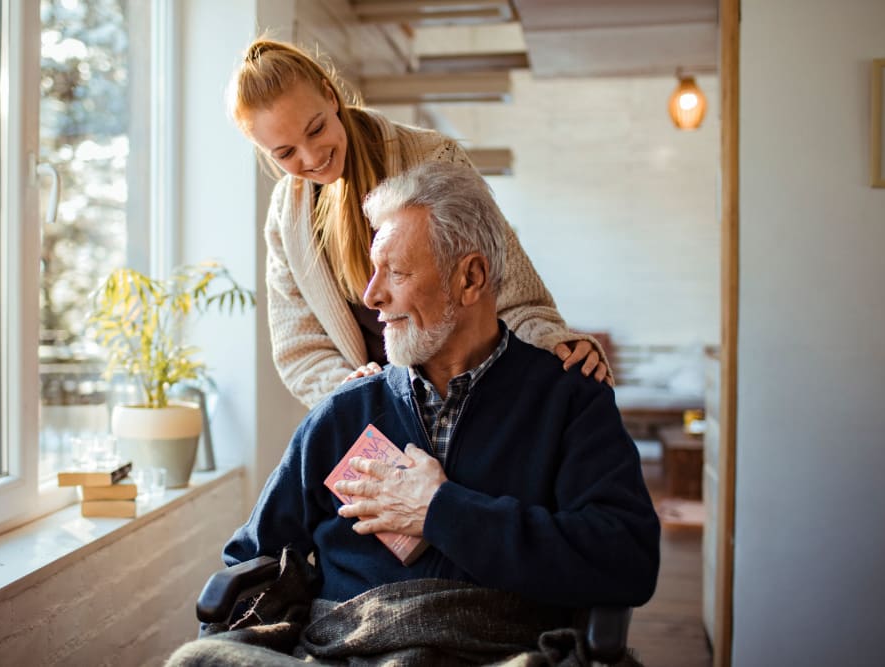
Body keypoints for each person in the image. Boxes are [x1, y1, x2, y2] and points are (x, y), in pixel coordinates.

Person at [167, 163, 659, 666]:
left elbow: (627, 561)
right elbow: (251, 556)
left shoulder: (569, 400)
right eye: (373, 270)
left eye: (396, 272)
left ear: (470, 278)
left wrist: (440, 511)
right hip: (343, 650)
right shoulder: (346, 411)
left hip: (496, 652)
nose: (371, 295)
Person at [228, 37, 613, 408]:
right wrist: (349, 393)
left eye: (316, 129)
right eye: (285, 153)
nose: (312, 156)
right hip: (375, 415)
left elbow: (506, 283)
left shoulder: (433, 156)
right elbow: (300, 348)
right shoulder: (286, 217)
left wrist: (554, 341)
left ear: (331, 96)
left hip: (472, 396)